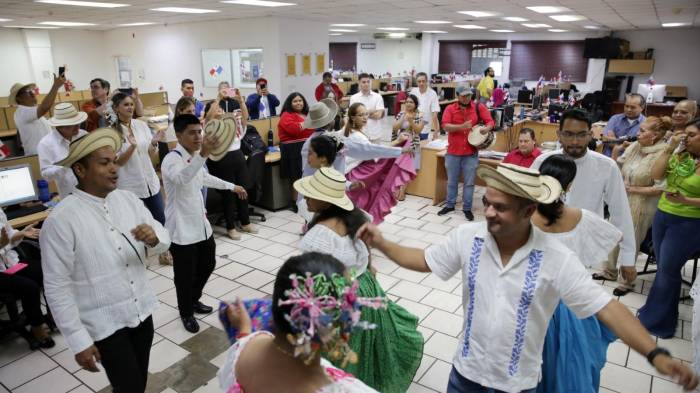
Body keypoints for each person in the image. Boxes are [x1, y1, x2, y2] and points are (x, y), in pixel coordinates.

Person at [356, 162, 699, 392]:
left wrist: (656, 355)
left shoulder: (556, 258)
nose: (488, 212)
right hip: (465, 375)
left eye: (500, 207)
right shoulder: (468, 237)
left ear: (529, 211)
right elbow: (426, 260)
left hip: (517, 384)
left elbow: (608, 309)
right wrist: (384, 243)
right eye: (487, 202)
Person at [40, 128, 171, 392]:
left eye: (114, 161)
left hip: (141, 314)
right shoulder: (61, 220)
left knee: (137, 382)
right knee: (130, 387)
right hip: (105, 326)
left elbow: (165, 236)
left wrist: (154, 238)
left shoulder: (127, 200)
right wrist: (78, 340)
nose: (114, 169)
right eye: (104, 163)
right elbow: (56, 287)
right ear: (80, 170)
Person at [294, 168, 423, 392]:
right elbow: (365, 248)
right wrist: (369, 266)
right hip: (366, 289)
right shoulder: (357, 216)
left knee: (340, 353)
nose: (305, 198)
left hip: (342, 299)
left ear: (325, 201)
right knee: (366, 343)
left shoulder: (318, 236)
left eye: (310, 194)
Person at [218, 252, 381, 392]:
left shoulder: (245, 348)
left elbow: (242, 343)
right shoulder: (345, 389)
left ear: (275, 306)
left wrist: (245, 330)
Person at [531, 155, 621, 393]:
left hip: (531, 300)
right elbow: (613, 237)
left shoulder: (523, 216)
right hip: (569, 305)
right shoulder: (583, 218)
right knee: (567, 364)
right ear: (569, 186)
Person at [532, 109, 637, 291]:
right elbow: (527, 202)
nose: (574, 141)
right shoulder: (543, 161)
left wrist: (628, 257)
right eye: (569, 134)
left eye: (581, 135)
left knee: (571, 295)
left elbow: (620, 212)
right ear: (559, 134)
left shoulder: (606, 166)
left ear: (590, 135)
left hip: (581, 245)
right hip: (543, 239)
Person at [162, 114, 248, 333]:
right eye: (192, 132)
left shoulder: (195, 156)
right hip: (180, 228)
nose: (198, 136)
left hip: (200, 223)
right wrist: (203, 155)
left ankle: (193, 298)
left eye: (199, 131)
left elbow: (203, 178)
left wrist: (232, 186)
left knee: (208, 263)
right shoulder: (171, 159)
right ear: (179, 135)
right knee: (184, 274)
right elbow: (183, 178)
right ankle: (186, 312)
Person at [638, 117, 700, 338]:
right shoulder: (682, 156)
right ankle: (653, 313)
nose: (686, 138)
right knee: (665, 267)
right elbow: (656, 175)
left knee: (668, 271)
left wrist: (686, 201)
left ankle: (659, 323)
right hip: (663, 215)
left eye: (691, 135)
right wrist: (670, 148)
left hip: (689, 223)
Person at [606, 116, 672, 296]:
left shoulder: (664, 153)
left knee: (631, 240)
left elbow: (660, 188)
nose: (637, 133)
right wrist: (615, 152)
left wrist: (632, 188)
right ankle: (609, 270)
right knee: (613, 233)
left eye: (643, 131)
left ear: (656, 134)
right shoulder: (636, 146)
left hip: (643, 204)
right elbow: (619, 165)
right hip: (624, 197)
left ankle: (626, 282)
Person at [344, 103, 415, 224]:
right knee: (360, 202)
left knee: (358, 202)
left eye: (366, 114)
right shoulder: (357, 136)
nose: (365, 117)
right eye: (361, 115)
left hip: (352, 171)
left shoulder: (351, 130)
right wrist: (398, 144)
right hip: (355, 173)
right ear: (353, 117)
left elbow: (373, 150)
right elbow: (374, 151)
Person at [438, 85, 495, 220]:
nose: (467, 98)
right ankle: (450, 205)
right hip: (453, 152)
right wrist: (461, 127)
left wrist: (486, 129)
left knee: (469, 182)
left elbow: (490, 121)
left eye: (469, 95)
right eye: (464, 95)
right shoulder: (450, 108)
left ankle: (467, 208)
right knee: (452, 181)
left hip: (471, 152)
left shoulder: (478, 107)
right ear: (458, 96)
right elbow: (445, 126)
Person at [0, 209, 54, 348]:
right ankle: (37, 326)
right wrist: (1, 244)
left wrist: (21, 233)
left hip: (10, 262)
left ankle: (52, 315)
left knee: (46, 271)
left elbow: (9, 237)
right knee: (29, 287)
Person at [110, 93, 166, 226]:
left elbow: (150, 155)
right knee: (137, 226)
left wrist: (153, 143)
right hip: (130, 187)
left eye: (131, 104)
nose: (130, 107)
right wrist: (132, 147)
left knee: (161, 221)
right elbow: (118, 162)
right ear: (116, 108)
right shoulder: (112, 132)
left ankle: (164, 247)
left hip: (150, 183)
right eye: (126, 105)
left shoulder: (141, 125)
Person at [205, 108, 258, 241]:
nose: (220, 110)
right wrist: (217, 100)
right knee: (228, 194)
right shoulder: (208, 128)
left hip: (238, 158)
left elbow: (245, 120)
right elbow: (207, 119)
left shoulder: (231, 124)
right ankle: (231, 227)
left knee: (243, 191)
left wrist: (241, 101)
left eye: (220, 108)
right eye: (216, 108)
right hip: (222, 161)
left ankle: (245, 223)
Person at [37, 103, 88, 199]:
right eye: (72, 124)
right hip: (70, 195)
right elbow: (46, 175)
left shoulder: (83, 135)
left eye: (78, 123)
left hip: (92, 190)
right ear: (59, 126)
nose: (77, 126)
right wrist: (64, 165)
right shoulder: (46, 144)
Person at [9, 74, 65, 155]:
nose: (32, 93)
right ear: (19, 98)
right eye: (27, 92)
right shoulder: (21, 112)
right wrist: (55, 86)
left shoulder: (32, 111)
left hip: (48, 154)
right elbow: (44, 107)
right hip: (38, 157)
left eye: (31, 90)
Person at [279, 92, 315, 210]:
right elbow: (294, 130)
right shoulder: (286, 115)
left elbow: (313, 129)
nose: (298, 103)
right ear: (290, 103)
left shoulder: (307, 114)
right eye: (295, 101)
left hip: (307, 148)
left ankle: (306, 201)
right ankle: (295, 203)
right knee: (296, 177)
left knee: (307, 176)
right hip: (293, 149)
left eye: (300, 100)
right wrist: (307, 123)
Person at [392, 94, 424, 200]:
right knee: (398, 167)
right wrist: (403, 118)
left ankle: (402, 191)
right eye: (407, 102)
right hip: (401, 143)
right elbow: (395, 128)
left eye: (411, 102)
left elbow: (419, 130)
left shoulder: (420, 115)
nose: (408, 104)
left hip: (413, 144)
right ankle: (396, 189)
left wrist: (410, 121)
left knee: (408, 168)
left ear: (415, 104)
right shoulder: (401, 113)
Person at [349, 73, 385, 144]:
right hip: (360, 134)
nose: (366, 84)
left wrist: (361, 114)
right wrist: (371, 111)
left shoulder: (377, 96)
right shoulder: (354, 98)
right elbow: (354, 117)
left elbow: (378, 115)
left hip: (375, 134)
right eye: (364, 82)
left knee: (376, 155)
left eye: (368, 82)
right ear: (359, 83)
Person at [410, 72, 441, 140]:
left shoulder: (432, 94)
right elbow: (409, 108)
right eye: (419, 81)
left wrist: (436, 130)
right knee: (409, 147)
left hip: (424, 128)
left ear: (427, 81)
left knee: (421, 147)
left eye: (423, 81)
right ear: (416, 82)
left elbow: (434, 114)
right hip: (412, 126)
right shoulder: (413, 91)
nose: (421, 83)